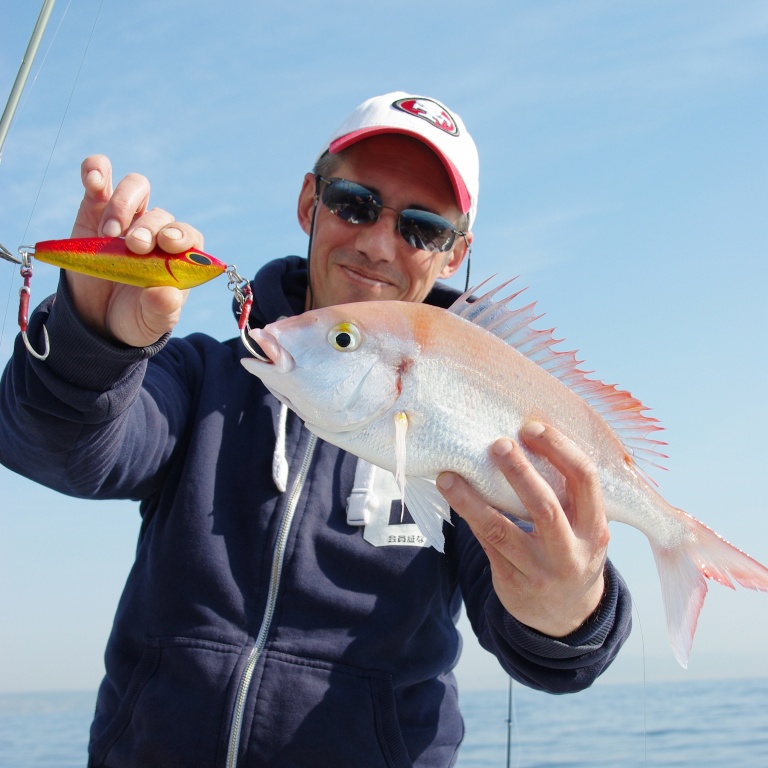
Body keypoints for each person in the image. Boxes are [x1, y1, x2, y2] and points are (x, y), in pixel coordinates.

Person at [0, 92, 631, 767]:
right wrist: (91, 340)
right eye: (355, 203)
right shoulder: (205, 374)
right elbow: (60, 450)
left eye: (422, 227)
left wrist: (576, 609)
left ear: (455, 254)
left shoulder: (469, 410)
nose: (378, 243)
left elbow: (540, 639)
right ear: (310, 201)